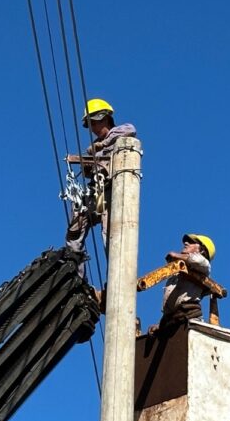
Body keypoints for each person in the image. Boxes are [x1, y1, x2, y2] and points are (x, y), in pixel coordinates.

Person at [64, 98, 137, 277]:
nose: (93, 128)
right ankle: (76, 276)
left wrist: (102, 145)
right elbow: (91, 173)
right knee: (76, 228)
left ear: (105, 118)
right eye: (90, 125)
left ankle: (115, 277)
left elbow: (130, 129)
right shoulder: (95, 149)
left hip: (113, 192)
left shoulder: (120, 134)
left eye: (95, 123)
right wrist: (87, 166)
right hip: (98, 193)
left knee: (110, 234)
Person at [148, 234, 216, 336]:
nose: (186, 243)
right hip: (173, 322)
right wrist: (160, 325)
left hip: (190, 320)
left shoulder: (203, 266)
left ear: (202, 250)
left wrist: (176, 256)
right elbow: (172, 304)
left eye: (192, 242)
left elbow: (198, 260)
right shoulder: (178, 271)